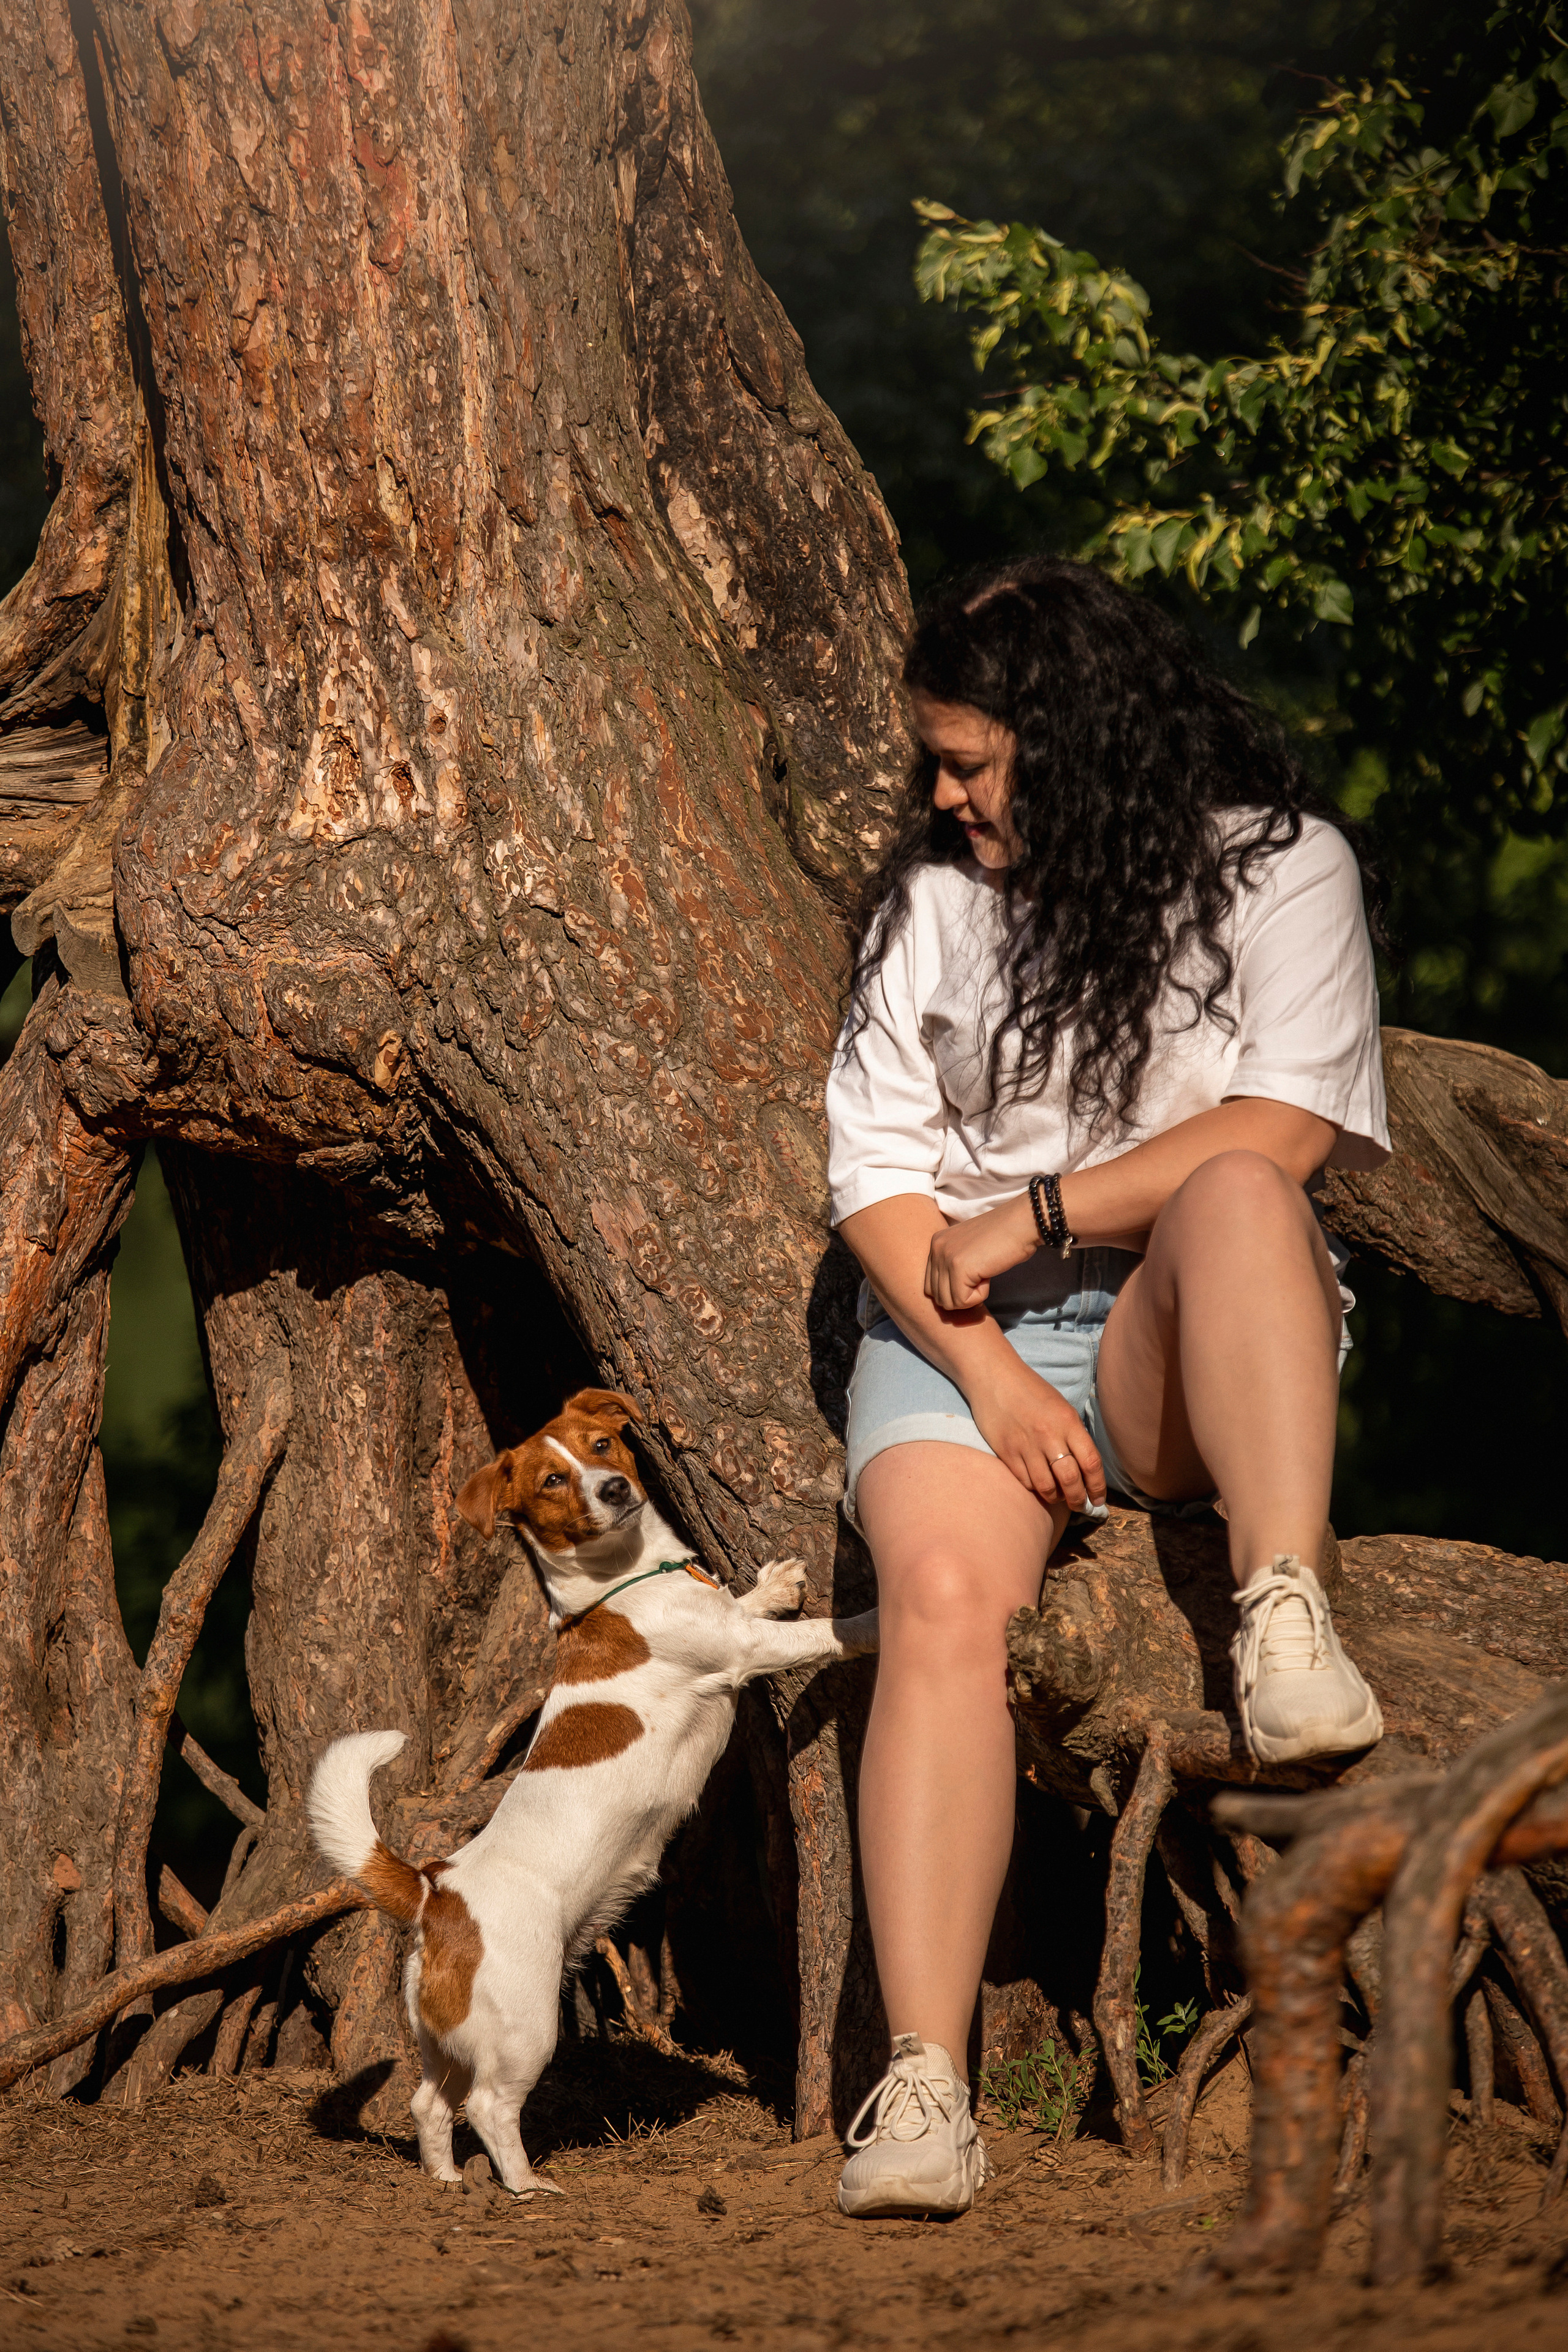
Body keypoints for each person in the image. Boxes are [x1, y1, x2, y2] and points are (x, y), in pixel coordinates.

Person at [824, 556, 1389, 2221]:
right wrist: (989, 1378)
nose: (942, 795)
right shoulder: (930, 902)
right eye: (937, 761)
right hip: (964, 1337)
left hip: (1190, 1328)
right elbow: (874, 1176)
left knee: (1237, 1195)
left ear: (1076, 743)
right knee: (935, 1597)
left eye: (973, 761)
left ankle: (1282, 1611)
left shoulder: (1282, 870)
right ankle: (924, 2091)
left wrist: (1049, 1213)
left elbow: (1280, 1130)